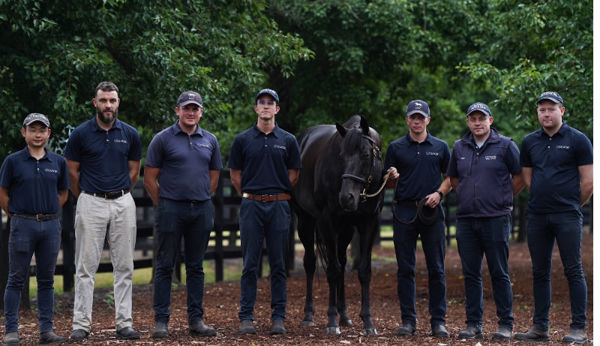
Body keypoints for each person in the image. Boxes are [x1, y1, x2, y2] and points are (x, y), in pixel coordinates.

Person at [64, 81, 142, 341]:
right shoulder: (80, 134)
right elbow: (72, 171)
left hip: (122, 202)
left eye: (112, 100)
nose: (108, 105)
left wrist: (120, 192)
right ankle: (81, 325)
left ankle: (124, 324)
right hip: (91, 201)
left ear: (118, 102)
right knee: (85, 267)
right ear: (95, 103)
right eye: (103, 100)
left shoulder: (130, 134)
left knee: (125, 266)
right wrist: (86, 196)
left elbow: (134, 171)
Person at [515, 92, 593, 344]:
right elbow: (527, 178)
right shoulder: (529, 142)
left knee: (573, 269)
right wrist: (542, 196)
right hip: (537, 215)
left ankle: (579, 328)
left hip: (567, 215)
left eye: (551, 109)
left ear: (562, 110)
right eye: (542, 110)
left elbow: (589, 181)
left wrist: (571, 204)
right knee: (540, 272)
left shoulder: (578, 140)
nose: (546, 114)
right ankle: (540, 327)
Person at [144, 91, 222, 338]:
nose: (190, 113)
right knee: (165, 265)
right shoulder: (162, 139)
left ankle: (196, 321)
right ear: (177, 110)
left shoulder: (210, 140)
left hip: (201, 209)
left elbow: (214, 177)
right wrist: (166, 202)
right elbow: (149, 178)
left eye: (195, 109)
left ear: (201, 112)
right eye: (186, 108)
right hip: (171, 209)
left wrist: (198, 197)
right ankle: (161, 321)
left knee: (196, 266)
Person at [447, 102, 524, 340]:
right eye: (473, 119)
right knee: (471, 273)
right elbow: (453, 178)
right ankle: (473, 324)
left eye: (482, 118)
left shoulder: (506, 145)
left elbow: (520, 177)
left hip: (496, 219)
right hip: (467, 220)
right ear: (468, 122)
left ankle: (505, 324)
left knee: (499, 272)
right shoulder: (459, 147)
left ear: (490, 120)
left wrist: (501, 198)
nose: (478, 123)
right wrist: (467, 197)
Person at [228, 88, 301, 335]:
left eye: (271, 103)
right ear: (256, 108)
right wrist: (253, 194)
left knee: (279, 264)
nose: (266, 106)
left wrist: (276, 193)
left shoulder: (289, 140)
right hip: (251, 205)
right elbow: (235, 175)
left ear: (277, 109)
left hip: (279, 205)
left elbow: (294, 174)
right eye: (262, 102)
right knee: (250, 263)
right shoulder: (242, 140)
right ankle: (246, 316)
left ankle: (278, 316)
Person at [384, 100, 451, 338]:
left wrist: (439, 193)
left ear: (428, 120)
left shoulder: (441, 147)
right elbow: (388, 184)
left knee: (437, 268)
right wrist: (391, 177)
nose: (417, 121)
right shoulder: (395, 147)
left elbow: (450, 178)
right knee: (405, 269)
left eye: (421, 117)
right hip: (404, 212)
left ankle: (438, 321)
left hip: (431, 212)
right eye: (413, 117)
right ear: (407, 120)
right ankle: (408, 321)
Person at [0, 113, 69, 345]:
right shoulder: (12, 161)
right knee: (16, 278)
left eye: (42, 130)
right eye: (33, 130)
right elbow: (3, 193)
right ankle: (11, 330)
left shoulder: (58, 162)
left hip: (50, 226)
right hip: (23, 224)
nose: (37, 134)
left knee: (47, 280)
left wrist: (47, 213)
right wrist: (18, 215)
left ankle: (46, 331)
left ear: (48, 133)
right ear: (24, 132)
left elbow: (63, 194)